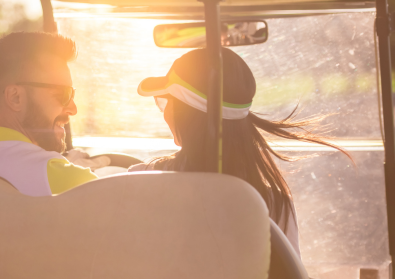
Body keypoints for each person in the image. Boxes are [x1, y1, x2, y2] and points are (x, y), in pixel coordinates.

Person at [128, 47, 352, 255]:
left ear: (183, 116)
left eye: (166, 103)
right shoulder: (274, 203)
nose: (165, 114)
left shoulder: (136, 183)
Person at [0, 32, 109, 196]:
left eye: (72, 95)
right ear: (15, 97)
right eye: (63, 94)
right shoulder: (71, 181)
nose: (73, 109)